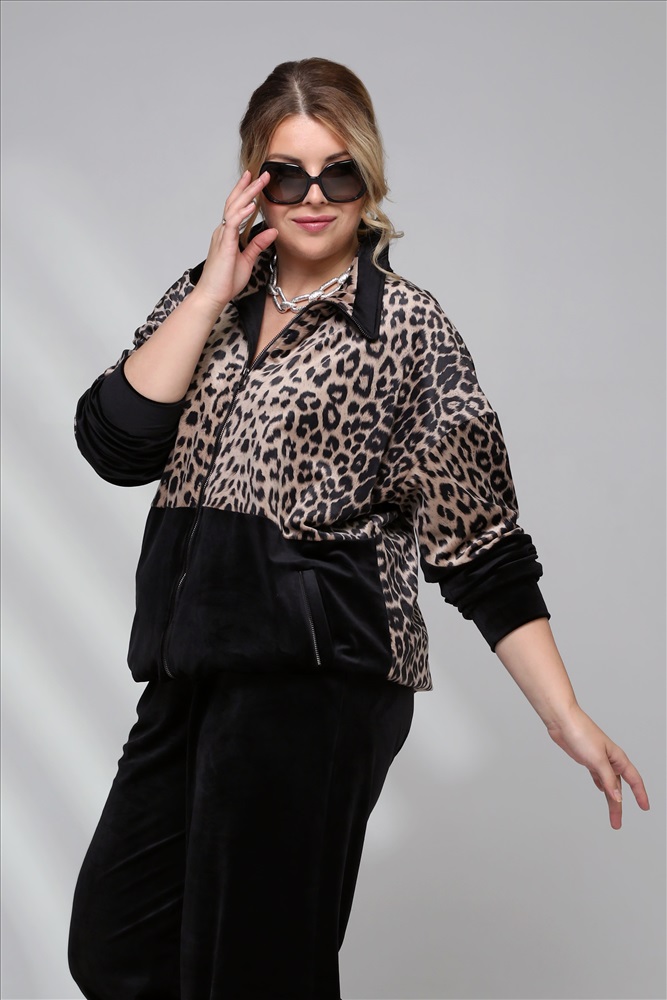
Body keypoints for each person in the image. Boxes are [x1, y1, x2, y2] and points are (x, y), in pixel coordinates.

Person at [67, 57, 650, 1000]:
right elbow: (116, 443)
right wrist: (212, 290)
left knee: (254, 971)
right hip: (191, 669)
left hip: (317, 681)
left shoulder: (406, 331)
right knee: (116, 950)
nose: (313, 196)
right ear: (252, 181)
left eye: (337, 173)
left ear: (367, 180)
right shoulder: (209, 296)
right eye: (287, 174)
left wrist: (563, 714)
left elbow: (481, 544)